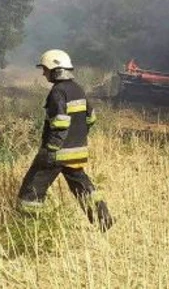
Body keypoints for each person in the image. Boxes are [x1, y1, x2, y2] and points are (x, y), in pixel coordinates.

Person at [17, 49, 113, 231]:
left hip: (57, 153)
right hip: (76, 152)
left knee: (31, 190)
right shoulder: (78, 89)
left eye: (45, 69)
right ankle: (104, 220)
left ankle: (28, 230)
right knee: (83, 189)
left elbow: (60, 122)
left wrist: (51, 149)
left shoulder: (58, 92)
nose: (43, 73)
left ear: (56, 69)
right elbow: (91, 118)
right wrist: (76, 138)